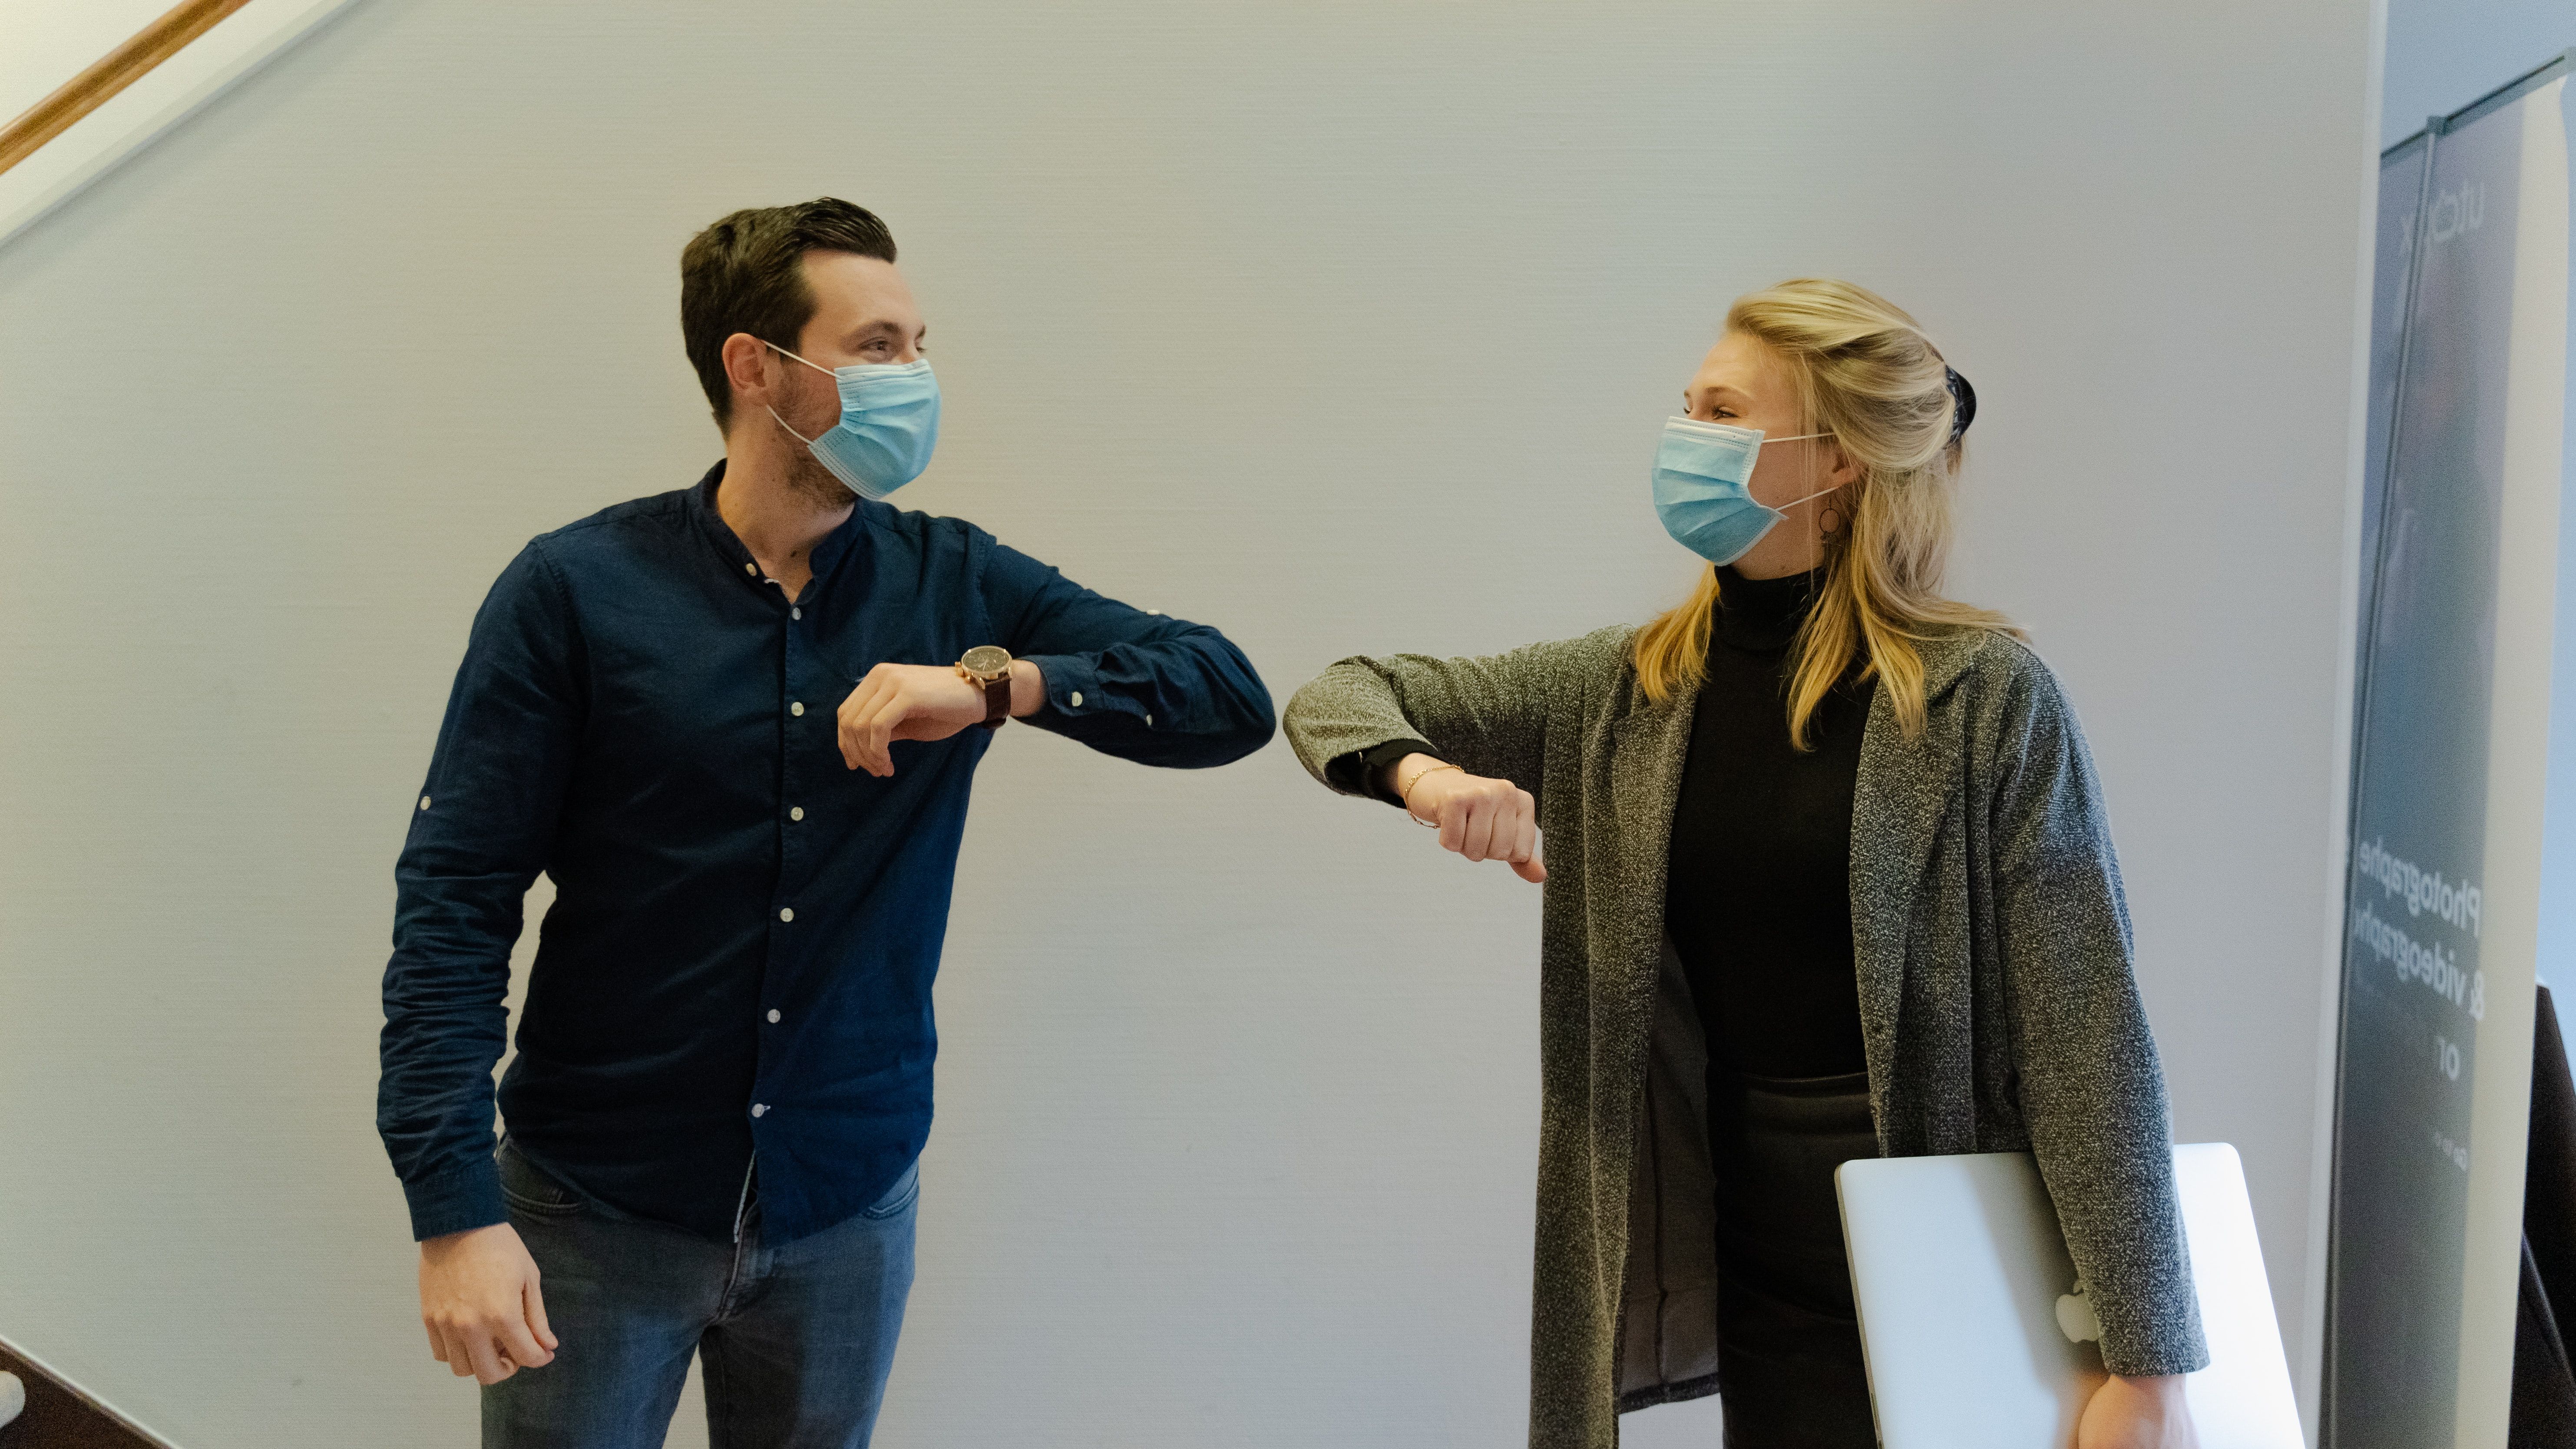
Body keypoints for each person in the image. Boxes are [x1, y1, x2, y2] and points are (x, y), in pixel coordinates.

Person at [377, 197, 1274, 1447]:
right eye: (879, 346)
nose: (917, 377)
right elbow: (454, 904)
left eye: (919, 343)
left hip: (846, 1211)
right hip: (592, 1213)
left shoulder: (951, 579)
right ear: (757, 367)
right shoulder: (573, 592)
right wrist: (454, 1211)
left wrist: (995, 684)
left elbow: (1226, 694)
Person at [1282, 278, 2205, 1449]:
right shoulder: (1623, 688)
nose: (1684, 437)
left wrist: (2148, 1359)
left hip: (1967, 1275)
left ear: (1837, 464)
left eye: (1720, 412)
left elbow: (2086, 1039)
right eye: (1688, 405)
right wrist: (1428, 778)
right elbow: (1341, 693)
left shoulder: (1983, 702)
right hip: (1763, 1276)